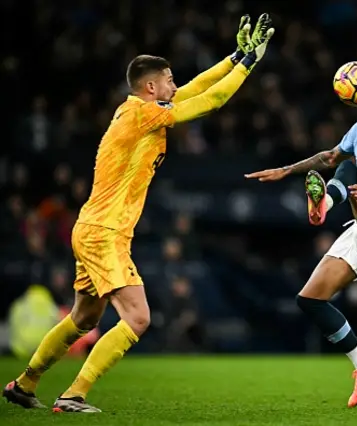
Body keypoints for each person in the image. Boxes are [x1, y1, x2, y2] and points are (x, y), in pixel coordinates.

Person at [3, 14, 275, 413]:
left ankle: (25, 384)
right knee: (138, 317)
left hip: (95, 227)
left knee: (83, 317)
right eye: (168, 80)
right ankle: (74, 394)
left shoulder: (139, 110)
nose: (175, 85)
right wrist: (250, 65)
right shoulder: (141, 114)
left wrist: (236, 55)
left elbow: (198, 87)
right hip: (105, 231)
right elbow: (211, 100)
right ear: (151, 87)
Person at [245, 79, 357, 407]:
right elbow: (329, 157)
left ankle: (325, 203)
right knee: (310, 299)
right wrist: (285, 170)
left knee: (354, 167)